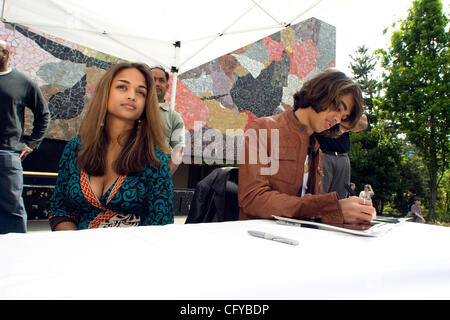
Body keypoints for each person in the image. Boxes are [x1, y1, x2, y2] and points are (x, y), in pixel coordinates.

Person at [238, 69, 376, 227]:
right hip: (259, 237)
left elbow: (309, 208)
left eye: (343, 117)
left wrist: (344, 213)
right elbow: (252, 199)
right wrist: (329, 208)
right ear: (321, 92)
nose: (338, 119)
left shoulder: (316, 146)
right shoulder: (263, 128)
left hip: (301, 239)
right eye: (338, 107)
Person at [48, 63, 174, 231]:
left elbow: (161, 226)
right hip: (76, 251)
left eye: (140, 92)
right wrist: (75, 244)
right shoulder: (76, 148)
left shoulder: (154, 159)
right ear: (105, 92)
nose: (131, 96)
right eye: (122, 87)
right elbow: (60, 208)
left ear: (146, 103)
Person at [0, 40, 50, 234]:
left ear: (6, 53)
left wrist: (32, 143)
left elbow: (43, 114)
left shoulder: (23, 82)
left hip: (6, 153)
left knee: (12, 207)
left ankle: (18, 251)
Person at [316, 113, 368, 199]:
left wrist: (342, 120)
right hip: (322, 155)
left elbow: (363, 123)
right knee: (318, 195)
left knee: (340, 199)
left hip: (342, 158)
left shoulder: (348, 106)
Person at [150, 66, 185, 174]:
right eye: (152, 79)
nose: (157, 83)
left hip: (157, 174)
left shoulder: (174, 117)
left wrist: (165, 175)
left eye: (161, 80)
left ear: (167, 86)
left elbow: (179, 150)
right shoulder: (134, 109)